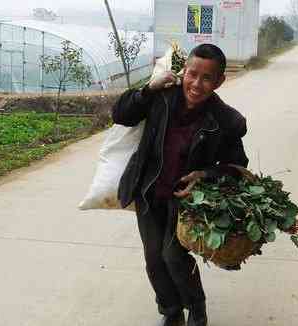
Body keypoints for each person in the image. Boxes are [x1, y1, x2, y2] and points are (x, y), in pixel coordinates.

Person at [112, 44, 249, 326]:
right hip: (150, 194)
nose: (197, 84)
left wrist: (206, 175)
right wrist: (147, 89)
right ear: (183, 71)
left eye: (207, 78)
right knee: (154, 259)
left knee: (173, 256)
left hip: (187, 202)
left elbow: (237, 167)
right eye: (192, 74)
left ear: (220, 81)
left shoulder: (226, 121)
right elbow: (120, 114)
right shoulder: (161, 97)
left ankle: (196, 309)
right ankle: (171, 311)